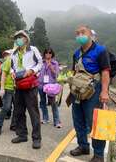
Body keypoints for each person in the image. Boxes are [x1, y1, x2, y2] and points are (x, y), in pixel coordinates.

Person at [69, 25, 110, 162]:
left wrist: (104, 92)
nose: (80, 35)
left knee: (95, 122)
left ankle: (98, 154)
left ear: (90, 34)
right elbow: (74, 72)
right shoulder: (76, 53)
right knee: (78, 120)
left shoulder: (100, 50)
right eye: (77, 33)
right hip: (77, 91)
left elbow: (105, 72)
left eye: (83, 32)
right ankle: (83, 146)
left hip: (94, 91)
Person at [10, 30, 43, 149]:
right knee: (18, 111)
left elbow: (40, 63)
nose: (18, 39)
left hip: (30, 85)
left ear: (25, 39)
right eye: (16, 38)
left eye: (20, 37)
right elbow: (12, 67)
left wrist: (32, 71)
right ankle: (22, 134)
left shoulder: (32, 49)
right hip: (18, 84)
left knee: (33, 112)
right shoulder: (14, 53)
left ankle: (36, 138)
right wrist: (12, 73)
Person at [38, 48, 62, 128]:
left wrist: (51, 67)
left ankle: (57, 121)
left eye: (50, 53)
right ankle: (45, 118)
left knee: (53, 103)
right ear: (44, 54)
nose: (48, 55)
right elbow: (38, 72)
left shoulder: (55, 63)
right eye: (46, 53)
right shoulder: (41, 62)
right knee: (42, 102)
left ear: (52, 54)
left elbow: (57, 75)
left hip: (51, 86)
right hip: (41, 84)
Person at [0, 49, 17, 135]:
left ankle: (13, 125)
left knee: (17, 108)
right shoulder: (8, 61)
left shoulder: (20, 61)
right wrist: (2, 88)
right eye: (5, 55)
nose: (6, 56)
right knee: (6, 107)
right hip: (8, 88)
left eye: (7, 54)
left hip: (17, 88)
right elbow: (3, 74)